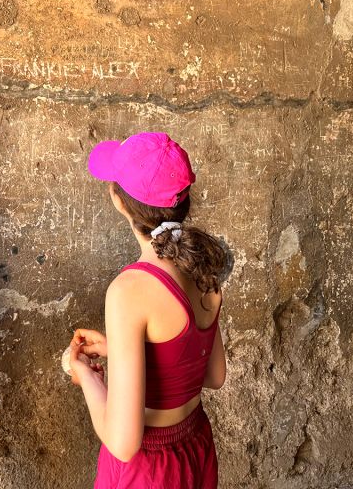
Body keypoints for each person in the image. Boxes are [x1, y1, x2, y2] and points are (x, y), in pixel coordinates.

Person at [69, 132, 227, 489]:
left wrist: (89, 378)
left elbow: (123, 444)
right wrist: (122, 351)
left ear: (120, 202)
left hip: (149, 470)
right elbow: (212, 375)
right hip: (196, 448)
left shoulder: (130, 290)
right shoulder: (205, 267)